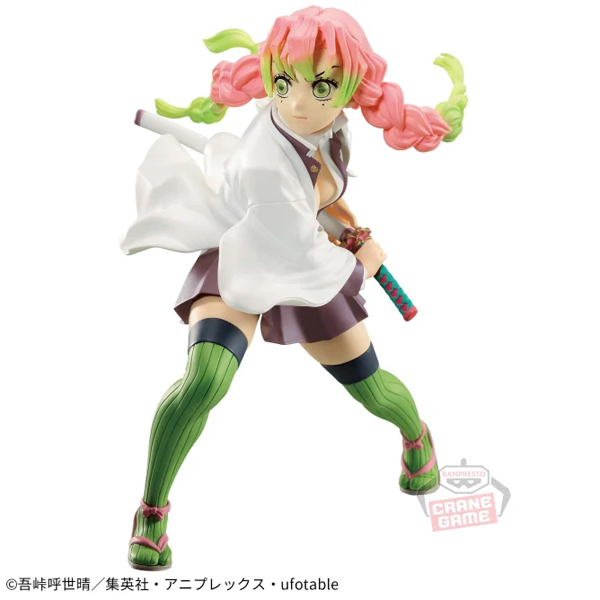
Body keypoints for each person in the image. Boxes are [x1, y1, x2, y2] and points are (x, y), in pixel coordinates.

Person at [122, 6, 467, 570]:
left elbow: (320, 200)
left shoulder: (332, 129)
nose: (296, 103)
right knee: (205, 380)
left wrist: (349, 228)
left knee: (373, 390)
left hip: (301, 254)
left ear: (352, 89)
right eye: (284, 83)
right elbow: (298, 238)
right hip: (246, 252)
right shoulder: (265, 163)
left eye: (320, 85)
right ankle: (152, 511)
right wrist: (364, 261)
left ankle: (416, 436)